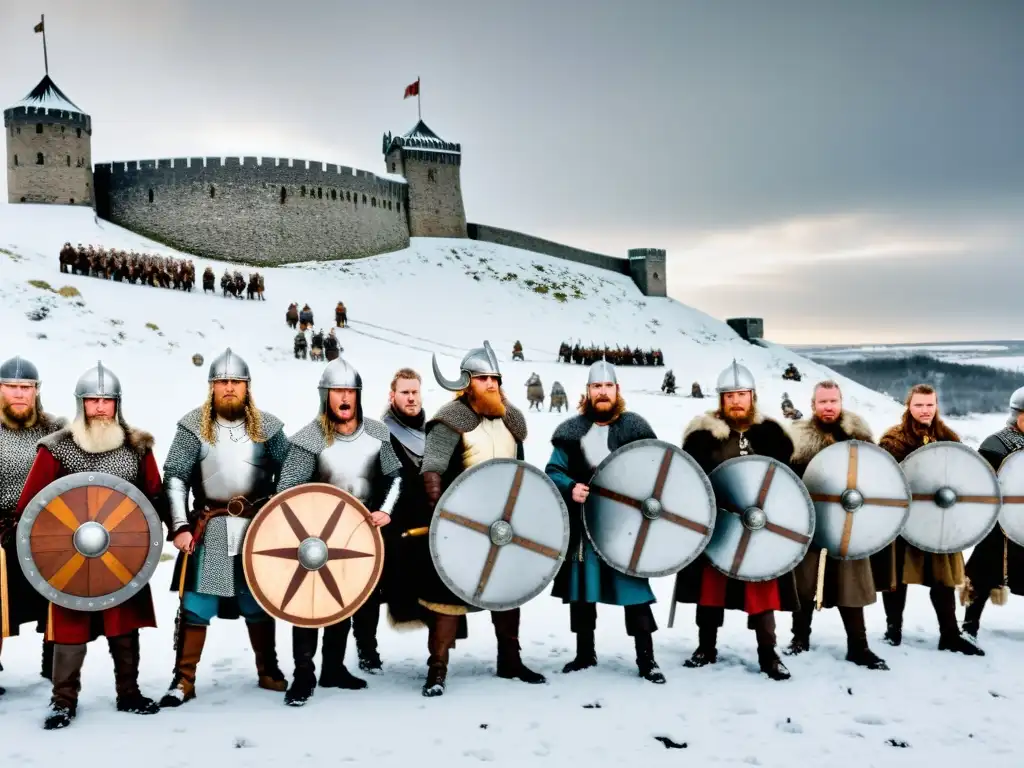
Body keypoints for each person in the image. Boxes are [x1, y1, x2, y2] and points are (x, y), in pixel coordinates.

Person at [15, 362, 168, 729]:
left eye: (106, 400)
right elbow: (32, 507)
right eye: (92, 400)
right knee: (69, 626)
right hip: (70, 557)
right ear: (81, 403)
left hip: (120, 557)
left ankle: (128, 693)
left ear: (117, 404)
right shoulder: (57, 448)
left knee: (124, 624)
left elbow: (153, 497)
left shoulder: (137, 447)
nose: (100, 407)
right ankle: (62, 700)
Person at [158, 348, 290, 708]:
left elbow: (292, 474)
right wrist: (180, 527)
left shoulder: (269, 427)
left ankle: (269, 670)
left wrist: (280, 520)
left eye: (236, 382)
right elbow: (175, 479)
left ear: (247, 387)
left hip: (256, 530)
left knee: (258, 602)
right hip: (211, 528)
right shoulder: (192, 427)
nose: (229, 387)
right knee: (197, 605)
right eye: (222, 382)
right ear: (211, 387)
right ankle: (183, 680)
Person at [418, 341, 546, 696]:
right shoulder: (450, 420)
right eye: (483, 378)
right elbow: (432, 471)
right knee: (446, 597)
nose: (492, 384)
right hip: (458, 525)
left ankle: (510, 660)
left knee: (506, 589)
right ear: (466, 383)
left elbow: (521, 474)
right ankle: (438, 668)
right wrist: (441, 518)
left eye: (495, 378)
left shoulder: (511, 420)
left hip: (503, 524)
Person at [275, 357, 401, 706]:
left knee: (345, 602)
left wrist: (385, 510)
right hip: (313, 537)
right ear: (325, 396)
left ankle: (332, 667)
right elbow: (286, 491)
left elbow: (395, 477)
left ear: (358, 395)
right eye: (336, 391)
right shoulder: (309, 439)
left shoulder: (377, 434)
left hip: (359, 531)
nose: (344, 398)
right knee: (308, 606)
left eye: (349, 391)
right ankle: (303, 675)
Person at [671, 360, 797, 680]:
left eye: (742, 395)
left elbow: (785, 483)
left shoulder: (770, 435)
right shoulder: (703, 437)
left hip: (759, 529)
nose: (736, 401)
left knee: (761, 590)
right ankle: (706, 647)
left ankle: (768, 654)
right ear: (721, 400)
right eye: (730, 396)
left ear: (752, 397)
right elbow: (691, 480)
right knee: (710, 589)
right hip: (719, 525)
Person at [544, 360, 665, 683]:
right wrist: (571, 487)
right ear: (588, 392)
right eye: (596, 387)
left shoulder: (635, 427)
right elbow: (553, 471)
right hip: (585, 525)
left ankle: (647, 658)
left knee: (635, 592)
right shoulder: (571, 432)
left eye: (607, 386)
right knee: (583, 590)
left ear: (617, 390)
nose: (602, 392)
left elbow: (657, 468)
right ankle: (585, 653)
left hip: (625, 526)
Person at [868, 384, 984, 655]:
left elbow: (960, 473)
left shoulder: (947, 436)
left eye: (930, 405)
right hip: (903, 521)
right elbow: (885, 478)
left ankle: (950, 635)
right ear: (909, 406)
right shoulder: (893, 439)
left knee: (942, 578)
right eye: (919, 405)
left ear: (936, 406)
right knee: (897, 577)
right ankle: (893, 630)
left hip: (937, 520)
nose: (925, 410)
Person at [786, 380, 888, 669]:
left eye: (833, 401)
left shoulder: (859, 437)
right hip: (810, 521)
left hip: (849, 523)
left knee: (850, 584)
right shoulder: (797, 441)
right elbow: (789, 482)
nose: (828, 407)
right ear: (813, 406)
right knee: (804, 584)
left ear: (840, 402)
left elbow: (875, 476)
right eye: (823, 402)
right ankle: (799, 638)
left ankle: (859, 646)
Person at [0, 356, 66, 695]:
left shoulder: (55, 429)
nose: (19, 394)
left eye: (26, 387)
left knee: (54, 600)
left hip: (44, 533)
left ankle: (52, 663)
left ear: (36, 391)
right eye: (11, 386)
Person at [962, 386, 1024, 638]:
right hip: (1000, 525)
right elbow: (979, 483)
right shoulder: (996, 444)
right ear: (1016, 414)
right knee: (982, 575)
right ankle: (969, 626)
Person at [380, 369, 431, 632]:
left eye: (415, 392)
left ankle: (439, 656)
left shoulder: (433, 432)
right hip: (392, 525)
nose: (411, 398)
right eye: (405, 393)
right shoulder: (380, 433)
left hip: (427, 523)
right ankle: (368, 652)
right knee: (374, 592)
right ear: (392, 396)